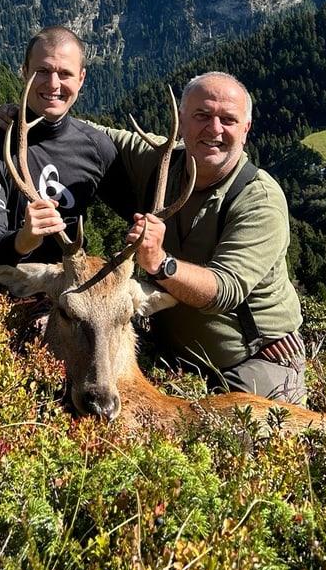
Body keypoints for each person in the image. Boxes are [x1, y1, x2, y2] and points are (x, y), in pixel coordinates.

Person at [104, 71, 306, 403]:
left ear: (245, 130)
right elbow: (88, 135)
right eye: (202, 116)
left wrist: (160, 263)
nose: (214, 129)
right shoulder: (160, 161)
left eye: (228, 119)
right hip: (177, 357)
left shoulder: (259, 199)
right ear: (181, 121)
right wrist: (19, 115)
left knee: (233, 437)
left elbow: (224, 290)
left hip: (254, 359)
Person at [0, 26, 122, 276]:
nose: (53, 84)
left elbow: (136, 214)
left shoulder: (98, 148)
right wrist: (23, 240)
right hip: (11, 302)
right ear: (24, 72)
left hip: (72, 296)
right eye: (43, 71)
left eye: (65, 74)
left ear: (81, 79)